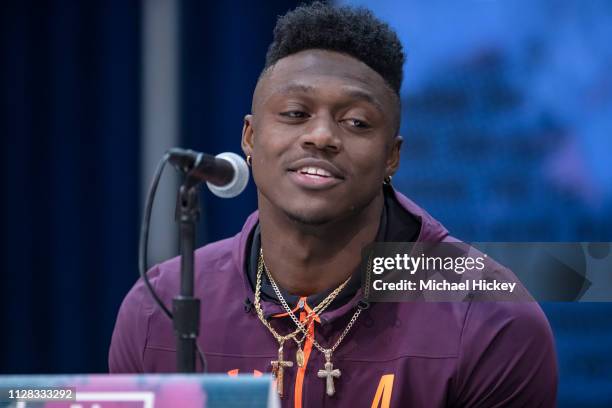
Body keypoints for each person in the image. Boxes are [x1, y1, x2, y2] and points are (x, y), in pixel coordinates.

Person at [109, 3, 557, 407]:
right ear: (250, 137)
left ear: (391, 157)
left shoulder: (488, 319)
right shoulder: (159, 311)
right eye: (295, 114)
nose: (321, 136)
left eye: (356, 122)